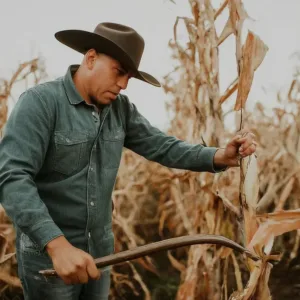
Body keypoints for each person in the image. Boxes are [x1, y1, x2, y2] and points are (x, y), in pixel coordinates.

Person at [0, 22, 256, 300]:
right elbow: (12, 177)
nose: (123, 85)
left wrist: (219, 155)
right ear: (91, 58)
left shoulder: (120, 109)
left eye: (129, 78)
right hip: (49, 257)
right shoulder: (40, 103)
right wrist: (57, 245)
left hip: (100, 252)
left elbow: (163, 147)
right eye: (119, 72)